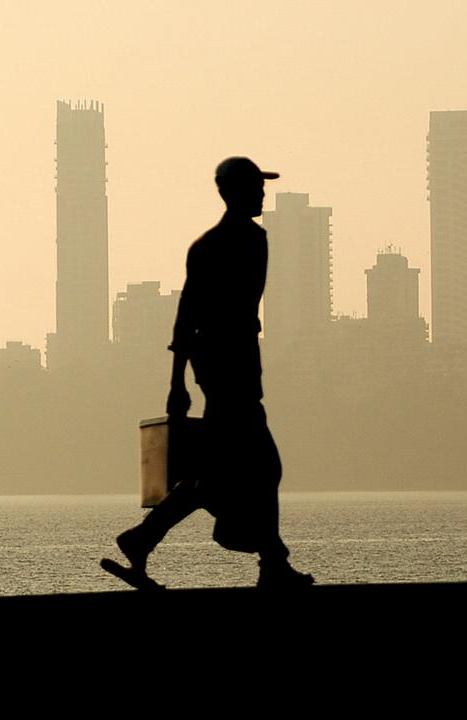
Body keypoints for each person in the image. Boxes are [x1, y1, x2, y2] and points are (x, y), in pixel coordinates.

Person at [106, 156, 314, 589]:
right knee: (263, 467)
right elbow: (189, 316)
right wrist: (176, 382)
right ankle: (272, 563)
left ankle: (142, 539)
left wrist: (182, 378)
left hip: (231, 367)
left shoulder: (241, 241)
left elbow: (207, 317)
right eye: (255, 187)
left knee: (216, 477)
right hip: (225, 371)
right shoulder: (221, 245)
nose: (262, 194)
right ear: (230, 192)